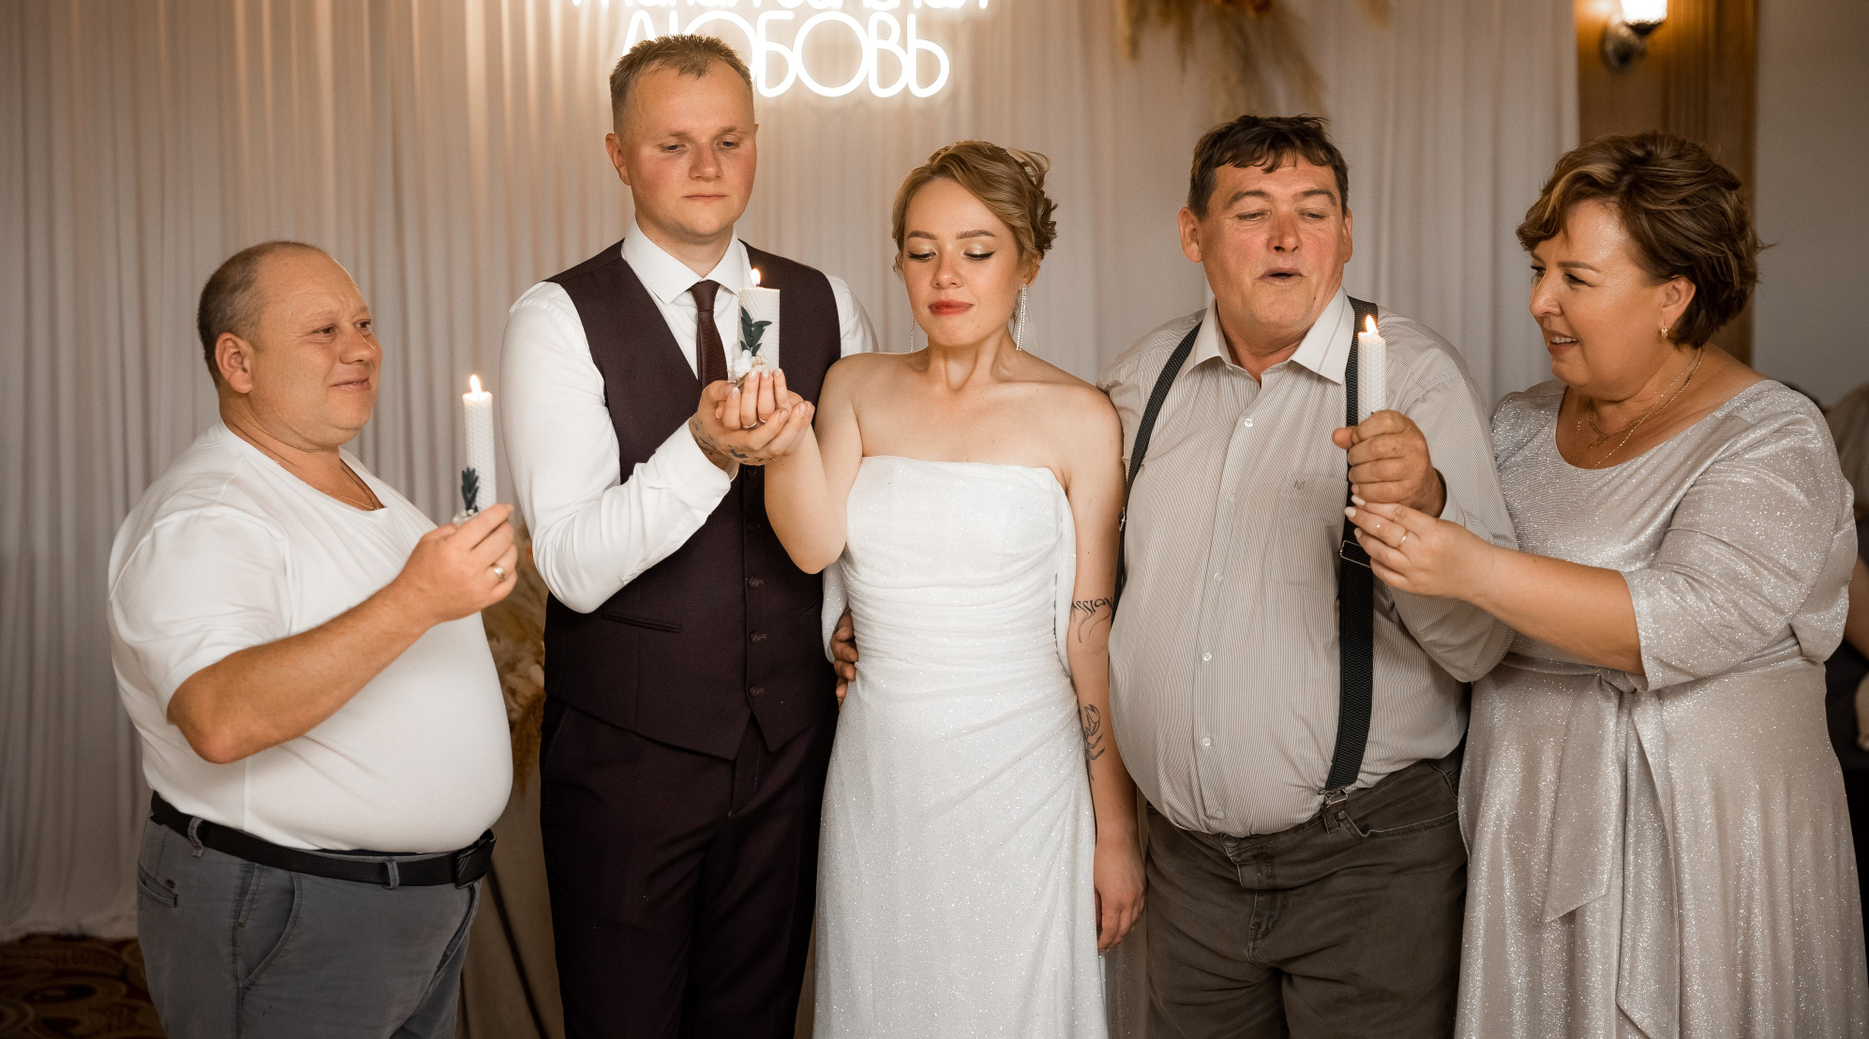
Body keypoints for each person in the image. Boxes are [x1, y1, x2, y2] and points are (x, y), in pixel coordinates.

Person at [1350, 131, 1869, 1036]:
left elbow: (1690, 618)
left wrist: (1470, 563)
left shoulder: (1774, 436)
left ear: (1674, 296)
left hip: (1701, 834)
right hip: (1526, 812)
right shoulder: (1517, 426)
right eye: (1539, 269)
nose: (1538, 301)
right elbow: (1466, 610)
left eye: (1576, 279)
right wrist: (1428, 497)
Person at [1098, 115, 1517, 1037]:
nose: (1287, 238)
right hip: (1187, 876)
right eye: (1252, 212)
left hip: (1366, 866)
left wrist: (1423, 510)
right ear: (1193, 234)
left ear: (1348, 233)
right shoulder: (1137, 384)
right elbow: (1077, 584)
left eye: (1314, 212)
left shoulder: (1415, 380)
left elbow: (1480, 647)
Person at [498, 33, 875, 1038]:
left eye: (729, 140)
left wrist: (851, 627)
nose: (708, 167)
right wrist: (704, 449)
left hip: (792, 746)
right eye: (674, 145)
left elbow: (857, 516)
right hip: (628, 757)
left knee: (755, 1020)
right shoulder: (557, 318)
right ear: (619, 156)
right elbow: (572, 566)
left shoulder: (828, 303)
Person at [738, 140, 1141, 1036]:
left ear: (1027, 263)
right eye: (921, 252)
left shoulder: (1080, 417)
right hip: (883, 770)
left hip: (1024, 775)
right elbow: (810, 546)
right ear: (899, 266)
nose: (946, 275)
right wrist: (782, 445)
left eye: (976, 250)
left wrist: (1114, 829)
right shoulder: (854, 386)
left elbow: (1090, 636)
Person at [108, 241, 516, 1038]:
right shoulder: (208, 515)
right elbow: (218, 719)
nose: (362, 348)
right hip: (292, 909)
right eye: (324, 331)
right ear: (238, 362)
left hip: (408, 909)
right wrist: (417, 599)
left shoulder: (357, 486)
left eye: (363, 324)